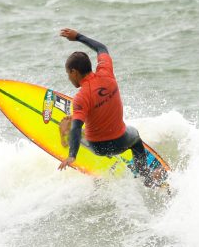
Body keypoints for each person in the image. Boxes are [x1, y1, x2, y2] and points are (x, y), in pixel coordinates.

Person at [57, 28, 165, 187]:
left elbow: (77, 127)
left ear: (74, 72)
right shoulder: (106, 71)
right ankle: (145, 175)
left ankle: (64, 134)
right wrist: (78, 37)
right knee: (135, 136)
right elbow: (101, 48)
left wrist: (72, 155)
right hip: (122, 141)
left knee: (77, 127)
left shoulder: (81, 97)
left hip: (99, 147)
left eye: (68, 73)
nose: (68, 77)